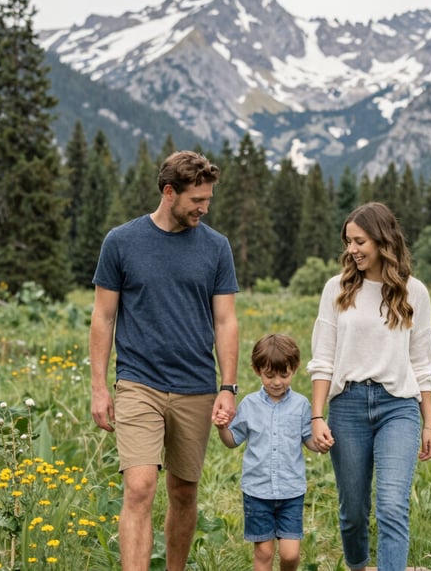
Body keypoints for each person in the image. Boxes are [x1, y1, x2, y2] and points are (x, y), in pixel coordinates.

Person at [89, 150, 240, 571]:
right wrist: (99, 387)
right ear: (169, 192)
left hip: (196, 384)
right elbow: (103, 317)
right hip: (139, 382)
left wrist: (228, 387)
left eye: (208, 200)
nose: (204, 208)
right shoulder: (121, 242)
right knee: (139, 487)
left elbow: (226, 321)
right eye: (197, 200)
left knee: (184, 491)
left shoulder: (216, 247)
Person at [307, 202, 431, 571]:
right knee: (353, 512)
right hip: (347, 407)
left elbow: (422, 364)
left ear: (383, 241)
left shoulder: (415, 293)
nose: (352, 250)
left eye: (360, 241)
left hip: (398, 407)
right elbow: (323, 359)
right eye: (348, 241)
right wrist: (317, 416)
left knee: (393, 505)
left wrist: (428, 423)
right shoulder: (337, 289)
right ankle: (359, 566)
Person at [213, 333, 324, 571]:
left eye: (284, 375)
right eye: (269, 375)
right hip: (257, 492)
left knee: (290, 554)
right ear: (257, 371)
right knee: (263, 553)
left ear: (293, 369)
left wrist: (322, 443)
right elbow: (232, 441)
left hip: (291, 492)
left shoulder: (302, 405)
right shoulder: (250, 405)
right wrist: (223, 428)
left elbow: (309, 441)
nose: (276, 382)